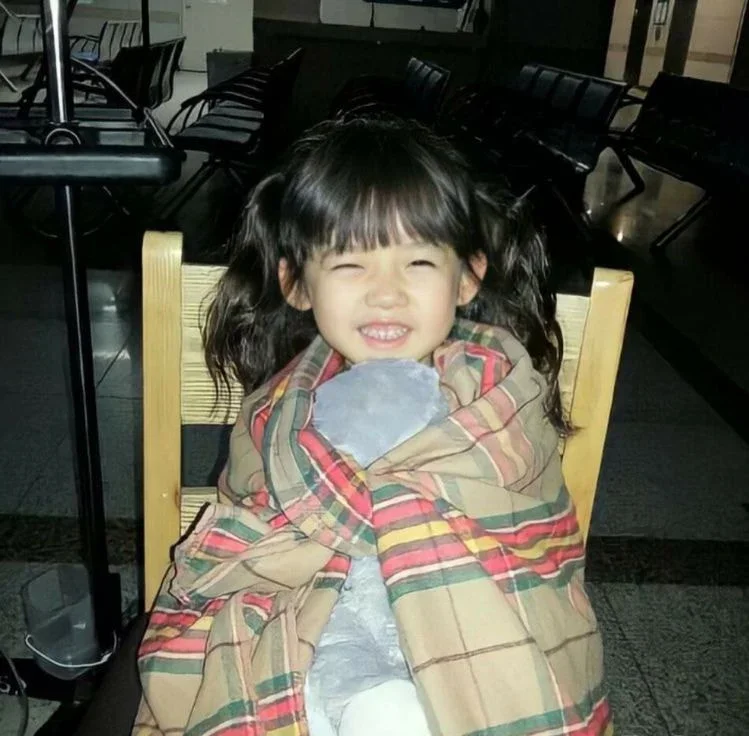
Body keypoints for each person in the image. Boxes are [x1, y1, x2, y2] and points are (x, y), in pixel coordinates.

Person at [133, 117, 610, 736]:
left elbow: (532, 544)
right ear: (297, 284)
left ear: (467, 276)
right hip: (321, 635)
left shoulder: (502, 394)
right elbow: (244, 546)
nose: (386, 294)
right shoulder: (275, 410)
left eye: (418, 261)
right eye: (351, 264)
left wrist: (396, 510)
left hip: (483, 632)